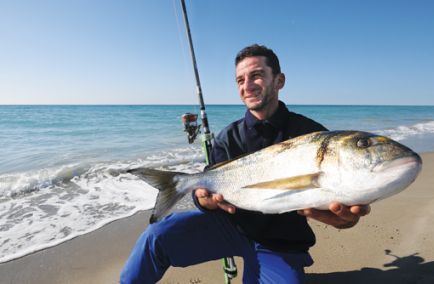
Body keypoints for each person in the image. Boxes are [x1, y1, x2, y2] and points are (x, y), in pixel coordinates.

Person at [120, 44, 370, 283]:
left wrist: (345, 219)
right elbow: (207, 189)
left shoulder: (312, 135)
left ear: (279, 81)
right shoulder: (228, 137)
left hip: (279, 241)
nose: (247, 86)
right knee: (156, 237)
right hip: (229, 226)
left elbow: (338, 204)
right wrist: (203, 199)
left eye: (257, 76)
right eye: (240, 80)